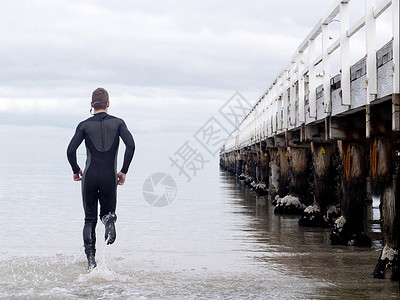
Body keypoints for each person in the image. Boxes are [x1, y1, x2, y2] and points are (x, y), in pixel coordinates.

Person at [67, 88, 135, 270]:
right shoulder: (119, 123)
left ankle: (91, 262)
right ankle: (109, 220)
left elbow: (70, 151)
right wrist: (123, 171)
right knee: (107, 213)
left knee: (89, 219)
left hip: (89, 176)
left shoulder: (84, 125)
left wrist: (76, 170)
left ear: (91, 104)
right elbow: (131, 146)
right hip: (109, 178)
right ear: (108, 104)